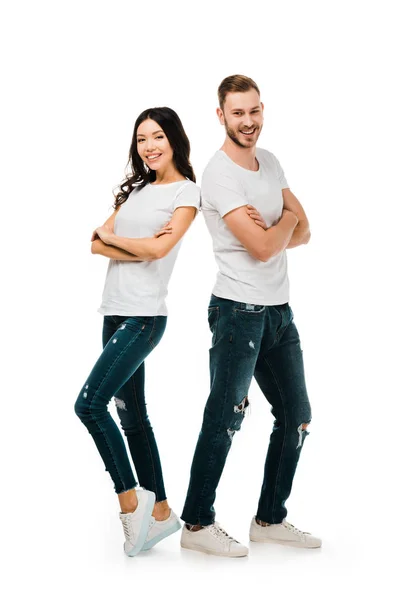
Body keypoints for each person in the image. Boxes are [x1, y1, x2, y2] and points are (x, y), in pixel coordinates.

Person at [180, 75, 321, 557]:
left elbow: (305, 232)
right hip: (238, 312)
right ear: (221, 115)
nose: (249, 121)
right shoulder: (219, 174)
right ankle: (196, 525)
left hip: (279, 312)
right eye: (238, 113)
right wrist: (282, 224)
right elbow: (265, 247)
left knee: (297, 416)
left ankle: (269, 518)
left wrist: (279, 227)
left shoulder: (271, 161)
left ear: (264, 109)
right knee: (225, 417)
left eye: (254, 111)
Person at [74, 107, 200, 557]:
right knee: (132, 417)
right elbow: (94, 241)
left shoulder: (187, 193)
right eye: (142, 138)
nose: (149, 146)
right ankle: (162, 513)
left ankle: (131, 504)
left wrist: (127, 243)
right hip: (113, 313)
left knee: (88, 405)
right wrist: (139, 246)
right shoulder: (136, 191)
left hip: (144, 317)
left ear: (174, 140)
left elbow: (161, 248)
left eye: (158, 136)